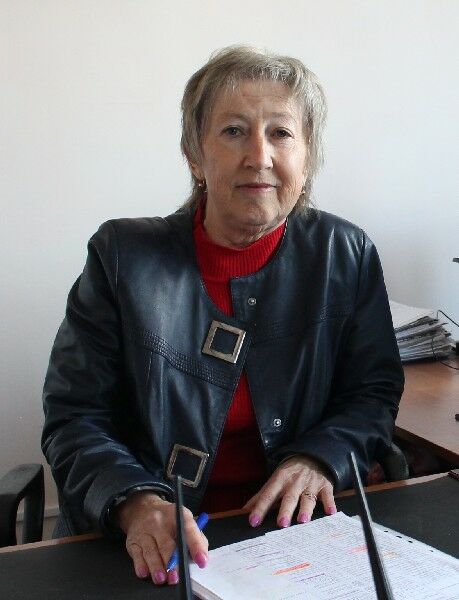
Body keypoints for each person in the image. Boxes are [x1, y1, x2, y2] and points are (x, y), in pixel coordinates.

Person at [42, 45, 404, 586]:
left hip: (292, 539)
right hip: (152, 547)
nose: (259, 156)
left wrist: (319, 458)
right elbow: (75, 416)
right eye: (234, 131)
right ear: (195, 154)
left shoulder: (344, 253)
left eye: (280, 133)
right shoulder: (121, 257)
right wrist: (137, 502)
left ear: (308, 156)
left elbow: (372, 392)